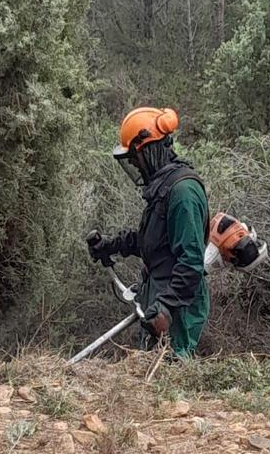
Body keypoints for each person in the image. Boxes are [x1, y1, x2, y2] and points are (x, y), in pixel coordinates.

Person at [88, 107, 209, 357]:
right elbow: (153, 241)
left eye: (134, 156)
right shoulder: (164, 189)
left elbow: (191, 262)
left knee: (169, 379)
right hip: (158, 295)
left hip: (177, 308)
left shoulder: (183, 193)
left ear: (149, 150)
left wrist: (166, 305)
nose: (132, 163)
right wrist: (112, 245)